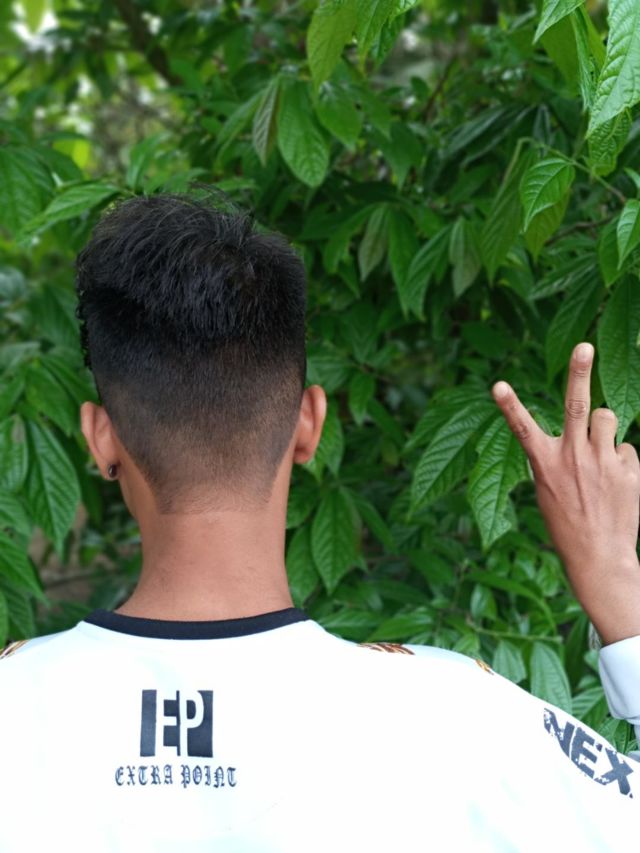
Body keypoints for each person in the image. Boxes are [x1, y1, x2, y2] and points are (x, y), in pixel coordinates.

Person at [1, 192, 639, 852]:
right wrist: (615, 579)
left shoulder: (13, 708)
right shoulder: (455, 721)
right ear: (310, 423)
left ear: (99, 437)